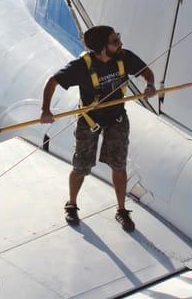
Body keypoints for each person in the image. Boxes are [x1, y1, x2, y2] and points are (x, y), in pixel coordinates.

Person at [40, 25, 155, 232]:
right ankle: (72, 205)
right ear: (102, 48)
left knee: (119, 166)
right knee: (81, 166)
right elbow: (52, 82)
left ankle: (121, 211)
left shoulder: (124, 57)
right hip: (89, 121)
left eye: (118, 38)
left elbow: (147, 72)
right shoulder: (81, 66)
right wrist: (45, 110)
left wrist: (150, 85)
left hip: (117, 119)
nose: (120, 43)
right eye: (114, 41)